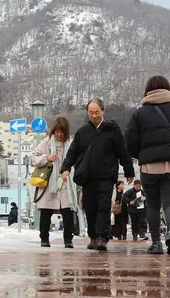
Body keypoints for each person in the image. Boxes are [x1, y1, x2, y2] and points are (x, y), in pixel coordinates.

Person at [125, 76, 170, 255]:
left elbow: (129, 140)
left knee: (152, 204)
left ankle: (156, 243)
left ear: (148, 90)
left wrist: (141, 155)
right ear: (167, 89)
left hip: (148, 167)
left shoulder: (139, 114)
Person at [60, 98, 135, 251]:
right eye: (91, 113)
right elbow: (72, 152)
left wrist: (129, 171)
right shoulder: (82, 132)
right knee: (90, 207)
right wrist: (65, 168)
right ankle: (93, 236)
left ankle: (102, 236)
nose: (94, 116)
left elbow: (123, 152)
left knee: (103, 205)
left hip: (106, 176)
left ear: (103, 111)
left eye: (96, 112)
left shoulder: (113, 130)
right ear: (87, 113)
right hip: (88, 177)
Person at [30, 116, 75, 248]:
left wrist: (69, 171)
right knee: (46, 212)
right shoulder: (46, 143)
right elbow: (34, 158)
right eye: (56, 131)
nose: (59, 134)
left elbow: (76, 160)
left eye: (62, 132)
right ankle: (44, 238)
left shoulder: (70, 144)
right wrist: (47, 158)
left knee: (68, 212)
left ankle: (68, 240)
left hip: (66, 182)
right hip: (49, 182)